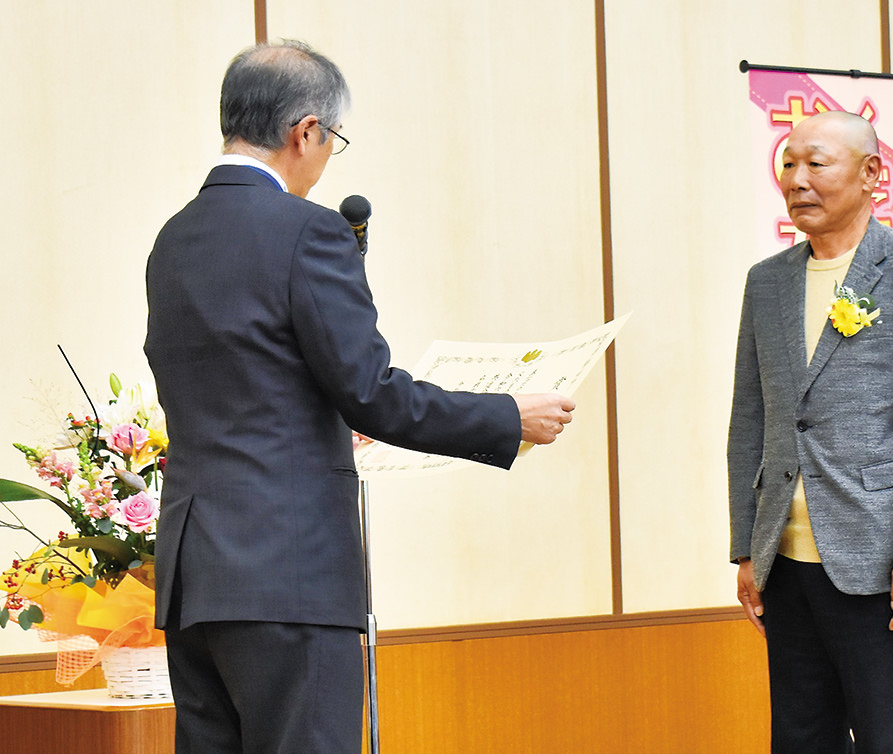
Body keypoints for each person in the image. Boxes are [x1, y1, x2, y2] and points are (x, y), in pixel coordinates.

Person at [143, 40, 575, 754]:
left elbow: (230, 381)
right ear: (305, 131)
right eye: (331, 141)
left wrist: (316, 420)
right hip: (289, 571)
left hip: (197, 577)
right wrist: (507, 416)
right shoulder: (307, 230)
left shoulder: (175, 237)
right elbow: (371, 391)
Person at [727, 110, 893, 754]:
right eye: (789, 164)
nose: (797, 179)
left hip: (881, 565)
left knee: (889, 737)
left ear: (872, 175)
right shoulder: (766, 282)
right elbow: (750, 420)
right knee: (801, 737)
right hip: (785, 562)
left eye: (816, 164)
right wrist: (748, 546)